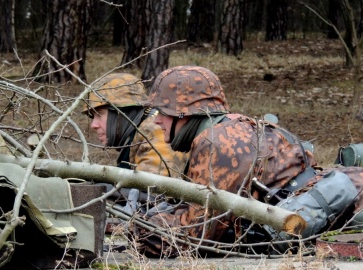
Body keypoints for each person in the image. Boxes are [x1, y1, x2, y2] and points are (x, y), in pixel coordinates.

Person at [138, 65, 363, 257]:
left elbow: (194, 237)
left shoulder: (218, 142)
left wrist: (144, 226)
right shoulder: (234, 128)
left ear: (182, 113)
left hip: (351, 205)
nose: (157, 121)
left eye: (161, 112)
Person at [82, 73, 188, 213]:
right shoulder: (141, 130)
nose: (93, 125)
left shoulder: (155, 130)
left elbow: (154, 197)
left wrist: (95, 186)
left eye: (100, 114)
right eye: (92, 116)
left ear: (122, 112)